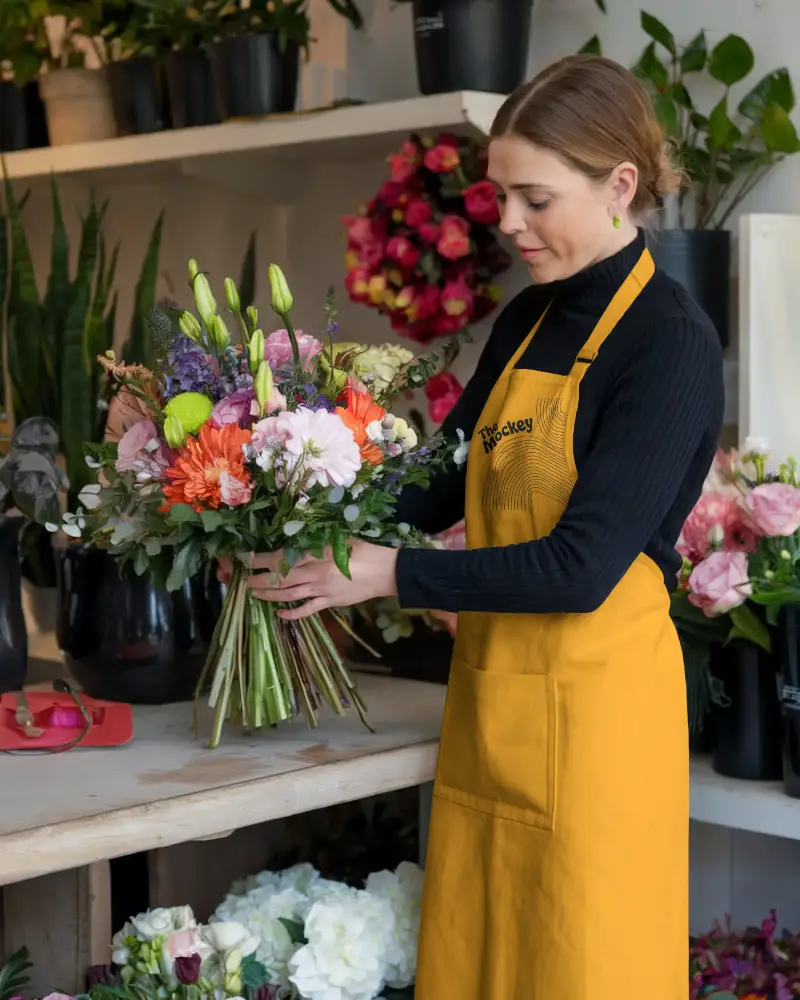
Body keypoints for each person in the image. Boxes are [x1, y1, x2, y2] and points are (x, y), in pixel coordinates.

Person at [243, 54, 724, 999]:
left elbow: (582, 568)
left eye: (533, 199)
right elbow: (442, 479)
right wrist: (299, 500)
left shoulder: (670, 341)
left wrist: (387, 574)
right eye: (500, 196)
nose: (507, 224)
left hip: (598, 733)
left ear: (618, 185)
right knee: (477, 966)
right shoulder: (527, 320)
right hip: (493, 713)